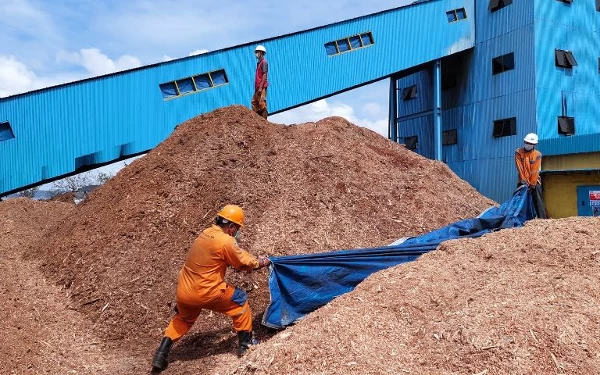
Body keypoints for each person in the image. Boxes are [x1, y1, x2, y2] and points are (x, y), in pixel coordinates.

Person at [151, 204, 271, 371]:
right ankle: (246, 345)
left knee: (183, 319)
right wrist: (261, 262)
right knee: (240, 301)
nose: (237, 232)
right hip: (207, 291)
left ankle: (161, 354)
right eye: (237, 228)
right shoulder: (226, 241)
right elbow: (242, 262)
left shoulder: (205, 233)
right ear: (230, 226)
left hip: (185, 291)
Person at [515, 133, 547, 219]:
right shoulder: (518, 152)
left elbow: (535, 170)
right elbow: (520, 168)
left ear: (534, 145)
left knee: (538, 201)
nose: (528, 145)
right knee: (520, 201)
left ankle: (542, 219)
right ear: (524, 141)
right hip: (522, 181)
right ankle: (520, 219)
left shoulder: (537, 154)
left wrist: (532, 184)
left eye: (530, 143)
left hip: (535, 182)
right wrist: (524, 181)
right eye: (527, 142)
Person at [251, 45, 269, 119]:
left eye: (257, 52)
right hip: (257, 87)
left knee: (262, 104)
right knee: (254, 103)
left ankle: (264, 123)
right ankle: (259, 121)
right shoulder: (259, 63)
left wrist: (261, 87)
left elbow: (265, 75)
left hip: (262, 87)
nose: (256, 54)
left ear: (261, 53)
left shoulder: (264, 62)